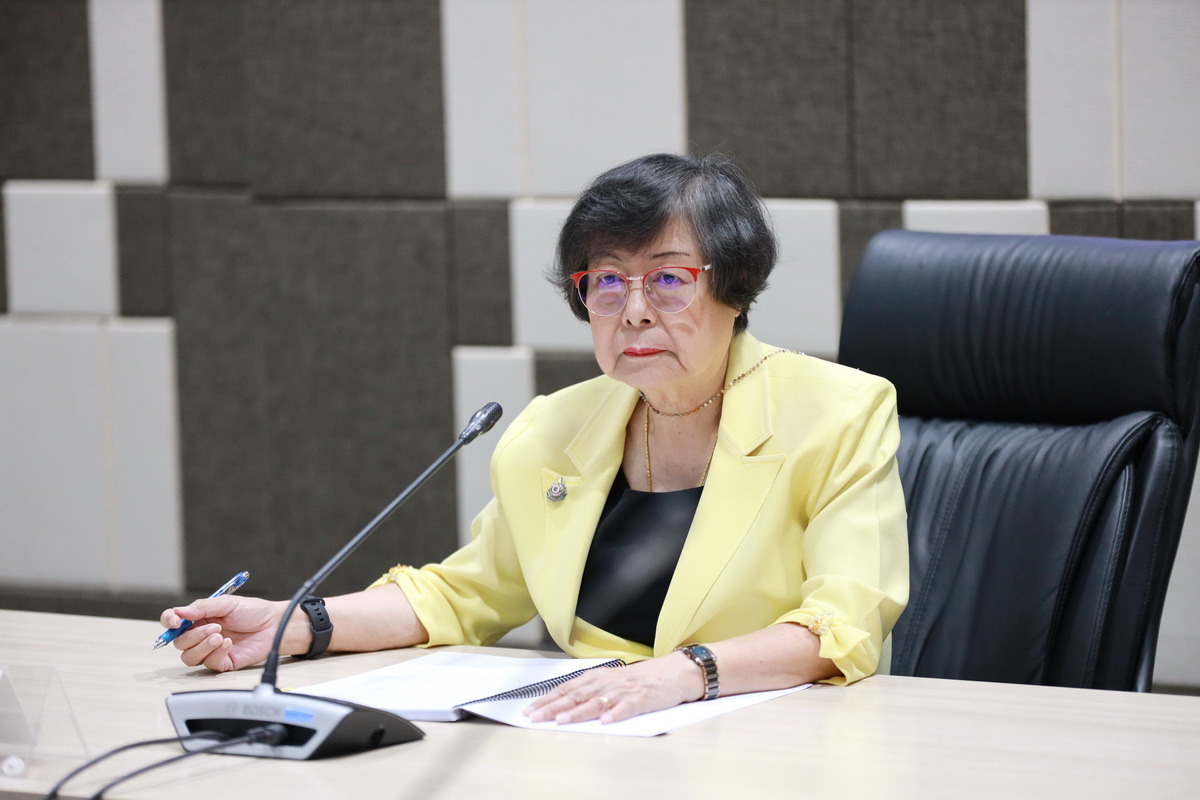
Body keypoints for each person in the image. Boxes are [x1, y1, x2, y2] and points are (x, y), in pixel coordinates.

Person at [160, 153, 909, 725]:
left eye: (668, 279)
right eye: (606, 281)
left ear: (734, 288)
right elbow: (465, 593)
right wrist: (295, 627)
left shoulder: (839, 412)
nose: (633, 310)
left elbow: (842, 625)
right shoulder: (553, 429)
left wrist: (682, 675)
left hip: (773, 744)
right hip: (591, 739)